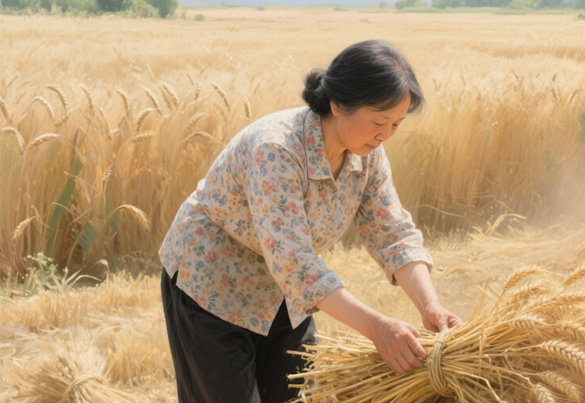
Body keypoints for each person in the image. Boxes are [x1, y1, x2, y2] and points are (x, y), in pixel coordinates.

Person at [159, 40, 463, 403]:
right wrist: (378, 328)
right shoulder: (278, 150)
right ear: (337, 104)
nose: (385, 135)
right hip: (212, 286)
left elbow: (392, 234)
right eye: (378, 121)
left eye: (396, 123)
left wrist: (431, 305)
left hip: (284, 296)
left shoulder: (368, 156)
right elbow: (295, 263)